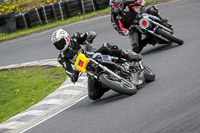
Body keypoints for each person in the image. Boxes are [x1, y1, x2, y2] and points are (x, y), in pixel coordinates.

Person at [51, 29, 142, 100]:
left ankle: (128, 55)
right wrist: (74, 75)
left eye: (61, 42)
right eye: (57, 45)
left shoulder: (76, 37)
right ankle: (108, 83)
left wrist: (89, 38)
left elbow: (90, 33)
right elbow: (69, 72)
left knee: (107, 46)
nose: (60, 46)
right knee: (93, 95)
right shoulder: (62, 58)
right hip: (90, 69)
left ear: (66, 38)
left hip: (96, 54)